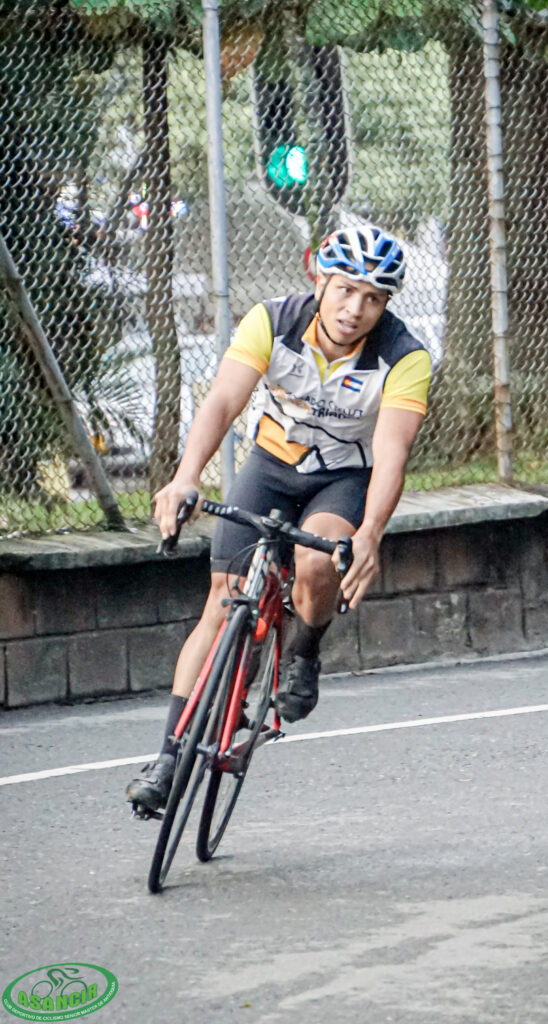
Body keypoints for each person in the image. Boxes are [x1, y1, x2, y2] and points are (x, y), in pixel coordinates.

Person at [126, 225, 431, 811]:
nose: (355, 309)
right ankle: (167, 757)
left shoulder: (405, 356)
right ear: (320, 279)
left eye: (373, 298)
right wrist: (186, 476)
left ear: (386, 304)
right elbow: (223, 400)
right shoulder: (271, 320)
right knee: (222, 599)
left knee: (317, 560)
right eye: (345, 290)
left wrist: (370, 534)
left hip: (343, 478)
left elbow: (392, 453)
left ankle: (304, 650)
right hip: (270, 465)